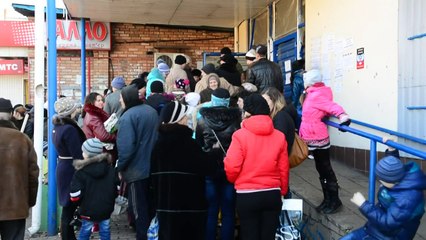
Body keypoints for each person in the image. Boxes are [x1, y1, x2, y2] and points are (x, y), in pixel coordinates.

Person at [224, 94, 289, 240]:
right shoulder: (279, 136)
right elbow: (283, 168)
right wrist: (282, 190)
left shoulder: (240, 135)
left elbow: (232, 166)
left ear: (247, 112)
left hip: (247, 194)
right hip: (272, 193)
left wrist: (234, 180)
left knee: (249, 234)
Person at [150, 101, 219, 240]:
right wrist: (215, 152)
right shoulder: (188, 144)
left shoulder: (158, 145)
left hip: (165, 206)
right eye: (185, 116)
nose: (187, 119)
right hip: (189, 207)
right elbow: (205, 167)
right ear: (178, 119)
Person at [299, 69, 351, 214]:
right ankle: (327, 199)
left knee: (325, 168)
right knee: (320, 168)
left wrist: (343, 117)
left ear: (310, 81)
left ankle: (334, 200)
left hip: (317, 136)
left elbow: (332, 106)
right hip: (312, 135)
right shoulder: (312, 93)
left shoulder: (316, 95)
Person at [341, 152, 426, 240]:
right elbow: (391, 168)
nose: (379, 181)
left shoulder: (407, 198)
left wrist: (363, 205)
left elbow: (388, 224)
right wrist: (392, 151)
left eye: (381, 179)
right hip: (374, 228)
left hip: (390, 236)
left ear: (390, 180)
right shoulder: (399, 177)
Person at [195, 93, 241, 240]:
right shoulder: (236, 121)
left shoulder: (202, 120)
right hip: (230, 169)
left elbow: (199, 144)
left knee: (211, 211)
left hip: (209, 168)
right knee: (228, 211)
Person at [116, 85, 159, 240]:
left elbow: (126, 147)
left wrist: (120, 167)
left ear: (127, 98)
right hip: (153, 168)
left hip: (136, 170)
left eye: (121, 97)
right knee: (151, 206)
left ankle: (142, 236)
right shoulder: (151, 111)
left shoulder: (127, 117)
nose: (120, 100)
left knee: (138, 210)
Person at [0, 98, 39, 240]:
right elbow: (33, 174)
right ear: (11, 114)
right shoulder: (22, 139)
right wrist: (29, 201)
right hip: (15, 206)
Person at [52, 97, 87, 240]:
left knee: (67, 205)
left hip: (63, 166)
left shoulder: (57, 127)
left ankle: (68, 235)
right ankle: (67, 236)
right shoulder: (70, 129)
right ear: (69, 112)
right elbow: (77, 153)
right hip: (70, 168)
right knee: (69, 206)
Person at [70, 138, 117, 240]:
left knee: (85, 230)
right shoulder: (110, 169)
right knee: (105, 230)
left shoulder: (81, 172)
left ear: (86, 154)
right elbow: (116, 188)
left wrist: (76, 203)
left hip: (87, 209)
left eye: (83, 151)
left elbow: (75, 194)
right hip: (106, 208)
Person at [82, 92, 117, 163]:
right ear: (91, 102)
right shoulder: (93, 116)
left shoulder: (93, 114)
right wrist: (116, 136)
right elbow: (103, 136)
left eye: (102, 100)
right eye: (98, 101)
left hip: (98, 149)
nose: (101, 102)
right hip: (100, 151)